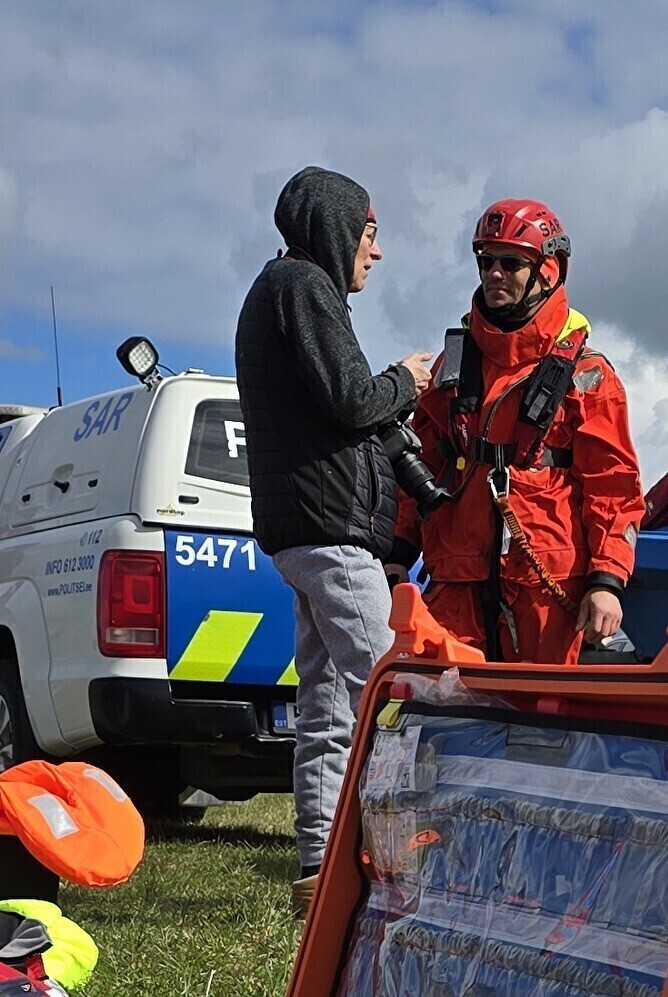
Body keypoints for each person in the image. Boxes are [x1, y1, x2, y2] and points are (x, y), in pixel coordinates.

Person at [236, 166, 434, 882]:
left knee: (325, 711)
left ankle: (319, 871)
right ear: (335, 227)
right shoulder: (303, 286)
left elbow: (332, 404)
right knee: (391, 691)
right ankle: (400, 864)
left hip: (307, 530)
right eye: (369, 232)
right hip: (330, 533)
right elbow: (353, 400)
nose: (376, 251)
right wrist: (407, 381)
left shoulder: (283, 288)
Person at [402, 198, 643, 669]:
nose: (494, 273)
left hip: (545, 588)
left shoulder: (587, 375)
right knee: (442, 706)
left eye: (511, 263)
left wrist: (607, 581)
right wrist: (398, 552)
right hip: (456, 581)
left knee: (545, 710)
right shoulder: (453, 367)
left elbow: (614, 487)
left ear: (548, 270)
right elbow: (419, 465)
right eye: (486, 261)